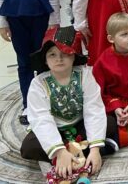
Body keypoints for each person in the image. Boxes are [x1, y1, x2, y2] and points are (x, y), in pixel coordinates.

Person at [20, 26, 116, 180]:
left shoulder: (85, 75)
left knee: (110, 123)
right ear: (45, 60)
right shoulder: (38, 83)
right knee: (28, 147)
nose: (59, 59)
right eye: (52, 54)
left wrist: (95, 149)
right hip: (54, 128)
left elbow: (93, 109)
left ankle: (79, 154)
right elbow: (41, 118)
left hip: (79, 125)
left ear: (74, 57)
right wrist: (59, 151)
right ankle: (69, 154)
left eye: (65, 53)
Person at [92, 13, 128, 147]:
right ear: (111, 39)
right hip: (112, 105)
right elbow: (98, 91)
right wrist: (116, 108)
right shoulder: (103, 61)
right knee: (110, 131)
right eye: (124, 34)